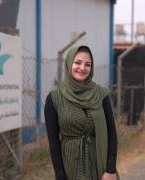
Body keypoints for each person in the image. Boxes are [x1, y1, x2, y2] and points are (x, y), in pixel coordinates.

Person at [44, 45, 118, 180]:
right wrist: (60, 175)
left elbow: (111, 133)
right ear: (69, 63)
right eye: (77, 62)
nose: (82, 68)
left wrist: (110, 170)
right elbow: (53, 142)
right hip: (70, 165)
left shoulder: (101, 94)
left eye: (87, 64)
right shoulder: (54, 98)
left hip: (99, 165)